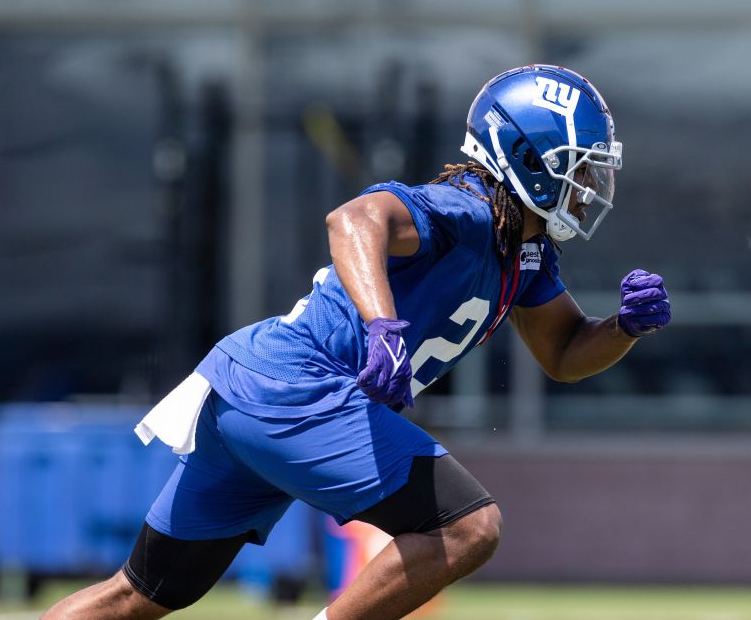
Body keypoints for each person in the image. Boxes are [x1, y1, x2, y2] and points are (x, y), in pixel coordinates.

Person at [41, 64, 671, 620]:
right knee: (469, 526)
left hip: (253, 393)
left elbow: (562, 354)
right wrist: (382, 327)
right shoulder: (467, 210)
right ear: (529, 159)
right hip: (299, 387)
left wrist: (623, 329)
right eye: (579, 165)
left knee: (137, 595)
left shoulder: (524, 254)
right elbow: (352, 220)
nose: (590, 186)